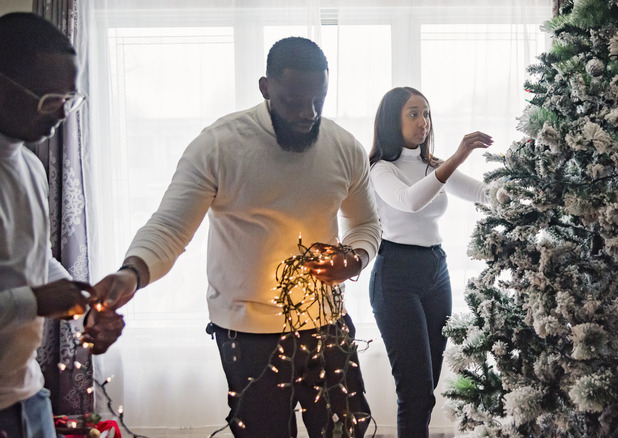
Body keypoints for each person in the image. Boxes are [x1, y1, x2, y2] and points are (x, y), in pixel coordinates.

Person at [92, 36, 381, 437]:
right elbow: (170, 226)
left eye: (319, 99)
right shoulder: (219, 146)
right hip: (248, 337)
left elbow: (367, 224)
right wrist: (132, 273)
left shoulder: (343, 147)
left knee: (345, 429)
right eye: (295, 101)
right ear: (265, 88)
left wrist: (355, 259)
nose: (308, 113)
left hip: (327, 325)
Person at [0, 12, 124, 438]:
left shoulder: (30, 166)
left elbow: (33, 260)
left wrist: (83, 300)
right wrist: (35, 301)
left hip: (27, 392)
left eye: (69, 100)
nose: (61, 115)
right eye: (48, 99)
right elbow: (31, 293)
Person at [368, 87, 493, 437]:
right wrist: (457, 157)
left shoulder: (432, 166)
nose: (423, 122)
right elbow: (409, 202)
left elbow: (484, 194)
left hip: (435, 271)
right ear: (393, 120)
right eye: (413, 113)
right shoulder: (381, 169)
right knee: (415, 391)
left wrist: (530, 183)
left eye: (426, 113)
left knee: (428, 385)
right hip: (395, 276)